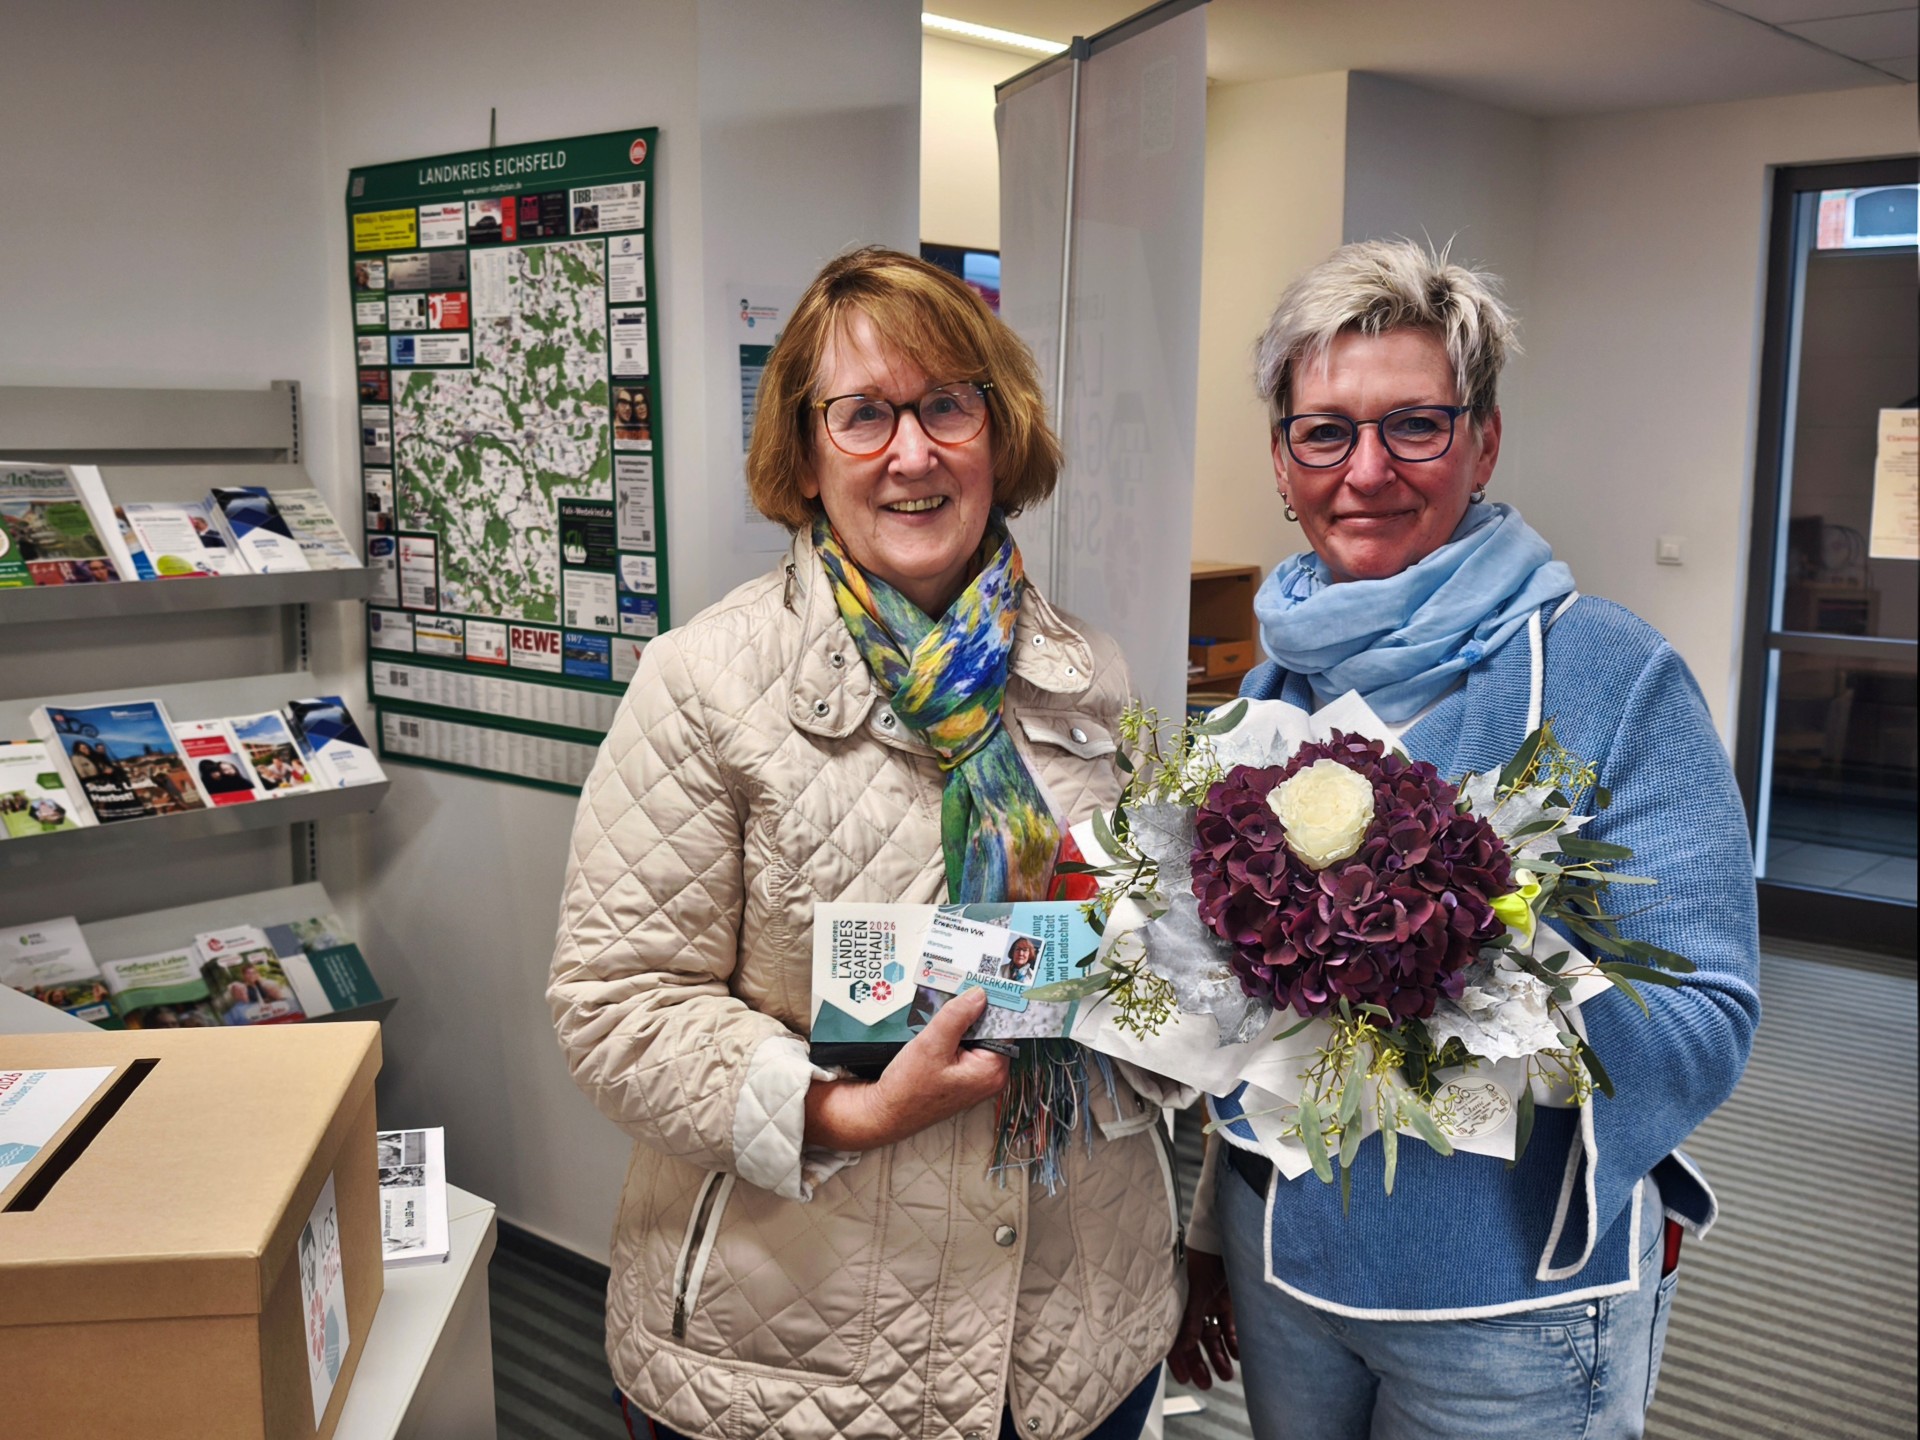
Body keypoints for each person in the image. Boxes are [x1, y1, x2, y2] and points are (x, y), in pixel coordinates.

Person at [549, 247, 1181, 1440]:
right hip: (795, 1356)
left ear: (999, 431)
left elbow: (1150, 950)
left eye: (947, 406)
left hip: (1070, 1347)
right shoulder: (703, 683)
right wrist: (847, 1116)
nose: (913, 452)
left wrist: (1173, 993)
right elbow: (616, 1005)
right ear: (805, 454)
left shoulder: (1088, 677)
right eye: (864, 415)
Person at [1166, 239, 1760, 1439]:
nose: (1366, 470)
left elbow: (1707, 1010)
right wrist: (1211, 1228)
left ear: (1482, 443)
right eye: (1325, 433)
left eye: (1414, 427)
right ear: (1282, 461)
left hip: (1511, 1304)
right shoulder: (1264, 695)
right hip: (1289, 1277)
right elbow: (1228, 1019)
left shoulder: (1607, 673)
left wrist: (1460, 966)